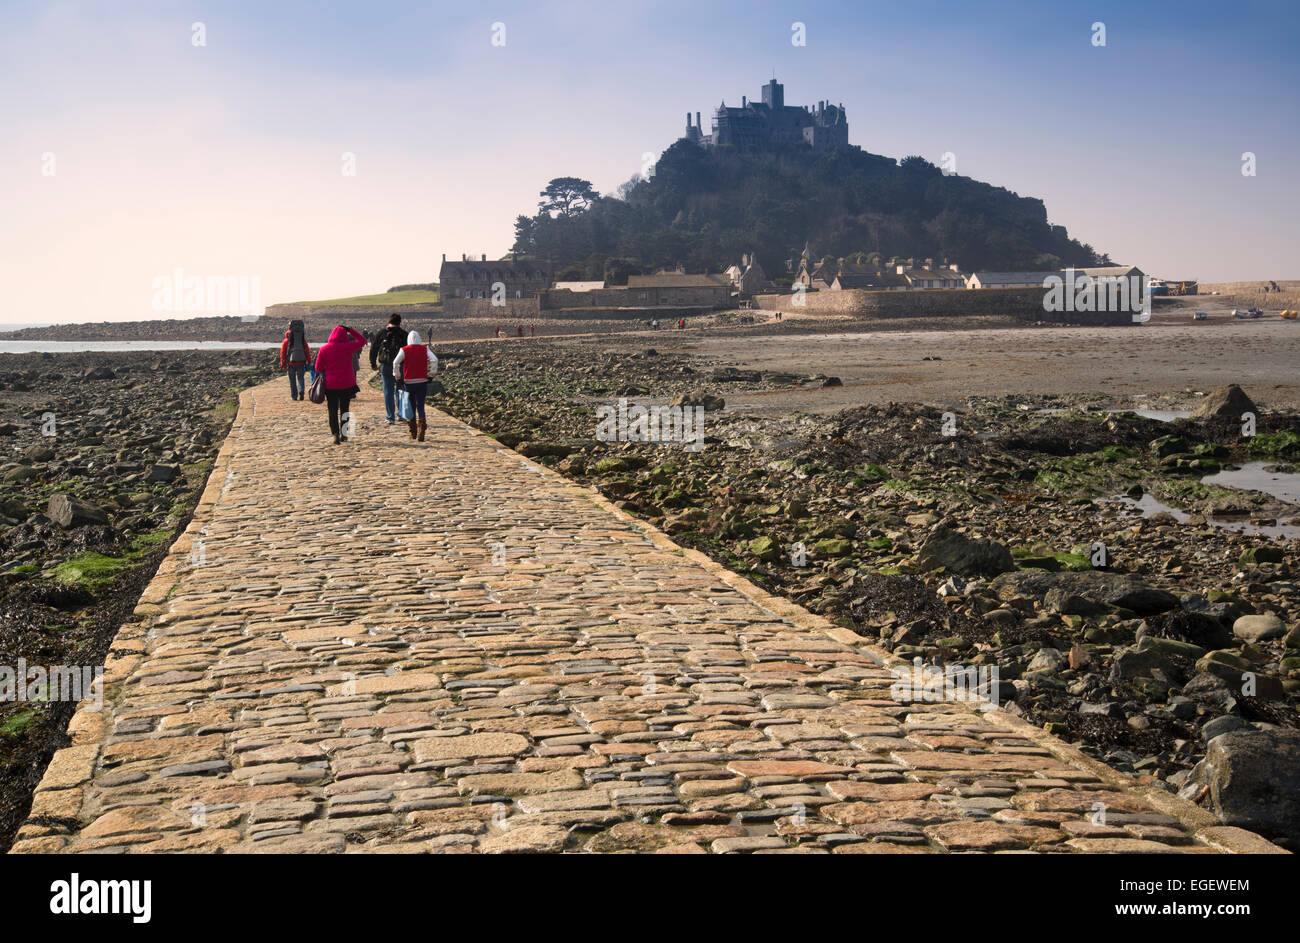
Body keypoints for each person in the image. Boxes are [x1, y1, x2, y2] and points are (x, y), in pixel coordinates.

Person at [313, 325, 367, 444]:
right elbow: (363, 341)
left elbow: (318, 367)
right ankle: (345, 433)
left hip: (330, 385)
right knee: (345, 409)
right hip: (346, 384)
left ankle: (335, 434)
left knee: (332, 409)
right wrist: (350, 330)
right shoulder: (348, 347)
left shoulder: (324, 349)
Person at [393, 330, 437, 442]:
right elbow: (434, 360)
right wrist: (431, 375)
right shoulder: (424, 349)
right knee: (420, 405)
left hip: (408, 382)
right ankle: (422, 429)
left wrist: (397, 376)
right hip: (422, 381)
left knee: (411, 407)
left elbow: (395, 363)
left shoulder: (404, 350)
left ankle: (413, 432)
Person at [369, 313, 407, 425]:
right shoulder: (404, 334)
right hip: (400, 366)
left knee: (388, 391)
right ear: (400, 322)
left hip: (385, 365)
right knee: (400, 390)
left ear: (388, 321)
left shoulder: (382, 333)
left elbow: (374, 348)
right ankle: (401, 415)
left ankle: (390, 417)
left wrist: (373, 363)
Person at [279, 319, 312, 400]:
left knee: (292, 380)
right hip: (301, 362)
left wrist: (283, 363)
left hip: (291, 363)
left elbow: (283, 353)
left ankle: (294, 396)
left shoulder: (286, 341)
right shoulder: (302, 340)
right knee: (301, 378)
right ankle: (301, 391)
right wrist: (309, 361)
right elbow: (307, 351)